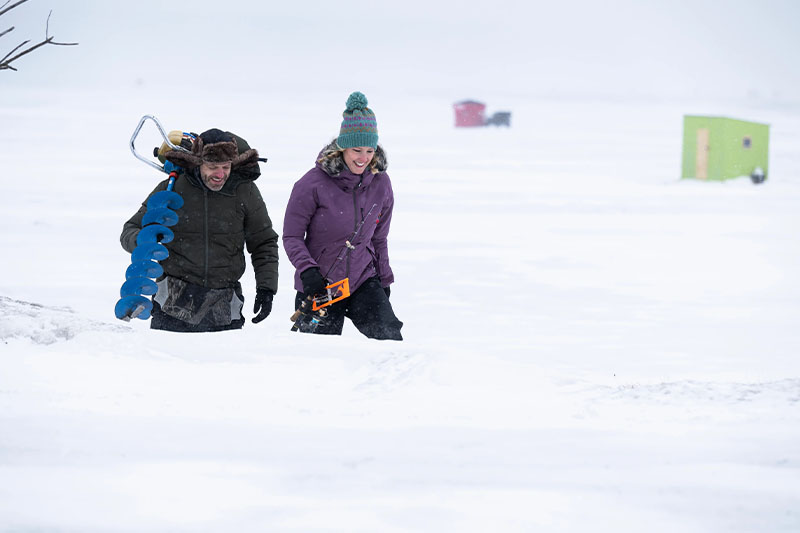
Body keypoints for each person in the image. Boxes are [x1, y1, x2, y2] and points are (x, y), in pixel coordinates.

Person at [120, 128, 279, 332]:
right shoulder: (172, 188)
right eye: (213, 167)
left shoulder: (244, 191)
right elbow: (129, 230)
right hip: (171, 306)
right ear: (198, 162)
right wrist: (145, 239)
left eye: (226, 166)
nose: (220, 174)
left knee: (225, 365)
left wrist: (266, 288)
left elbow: (263, 242)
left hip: (224, 308)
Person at [283, 91, 403, 340]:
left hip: (362, 279)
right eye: (357, 150)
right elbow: (292, 236)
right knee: (316, 356)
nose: (363, 158)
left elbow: (379, 238)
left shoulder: (381, 184)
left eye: (370, 151)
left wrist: (384, 279)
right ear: (343, 148)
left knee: (389, 338)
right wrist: (308, 271)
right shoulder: (311, 184)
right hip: (321, 285)